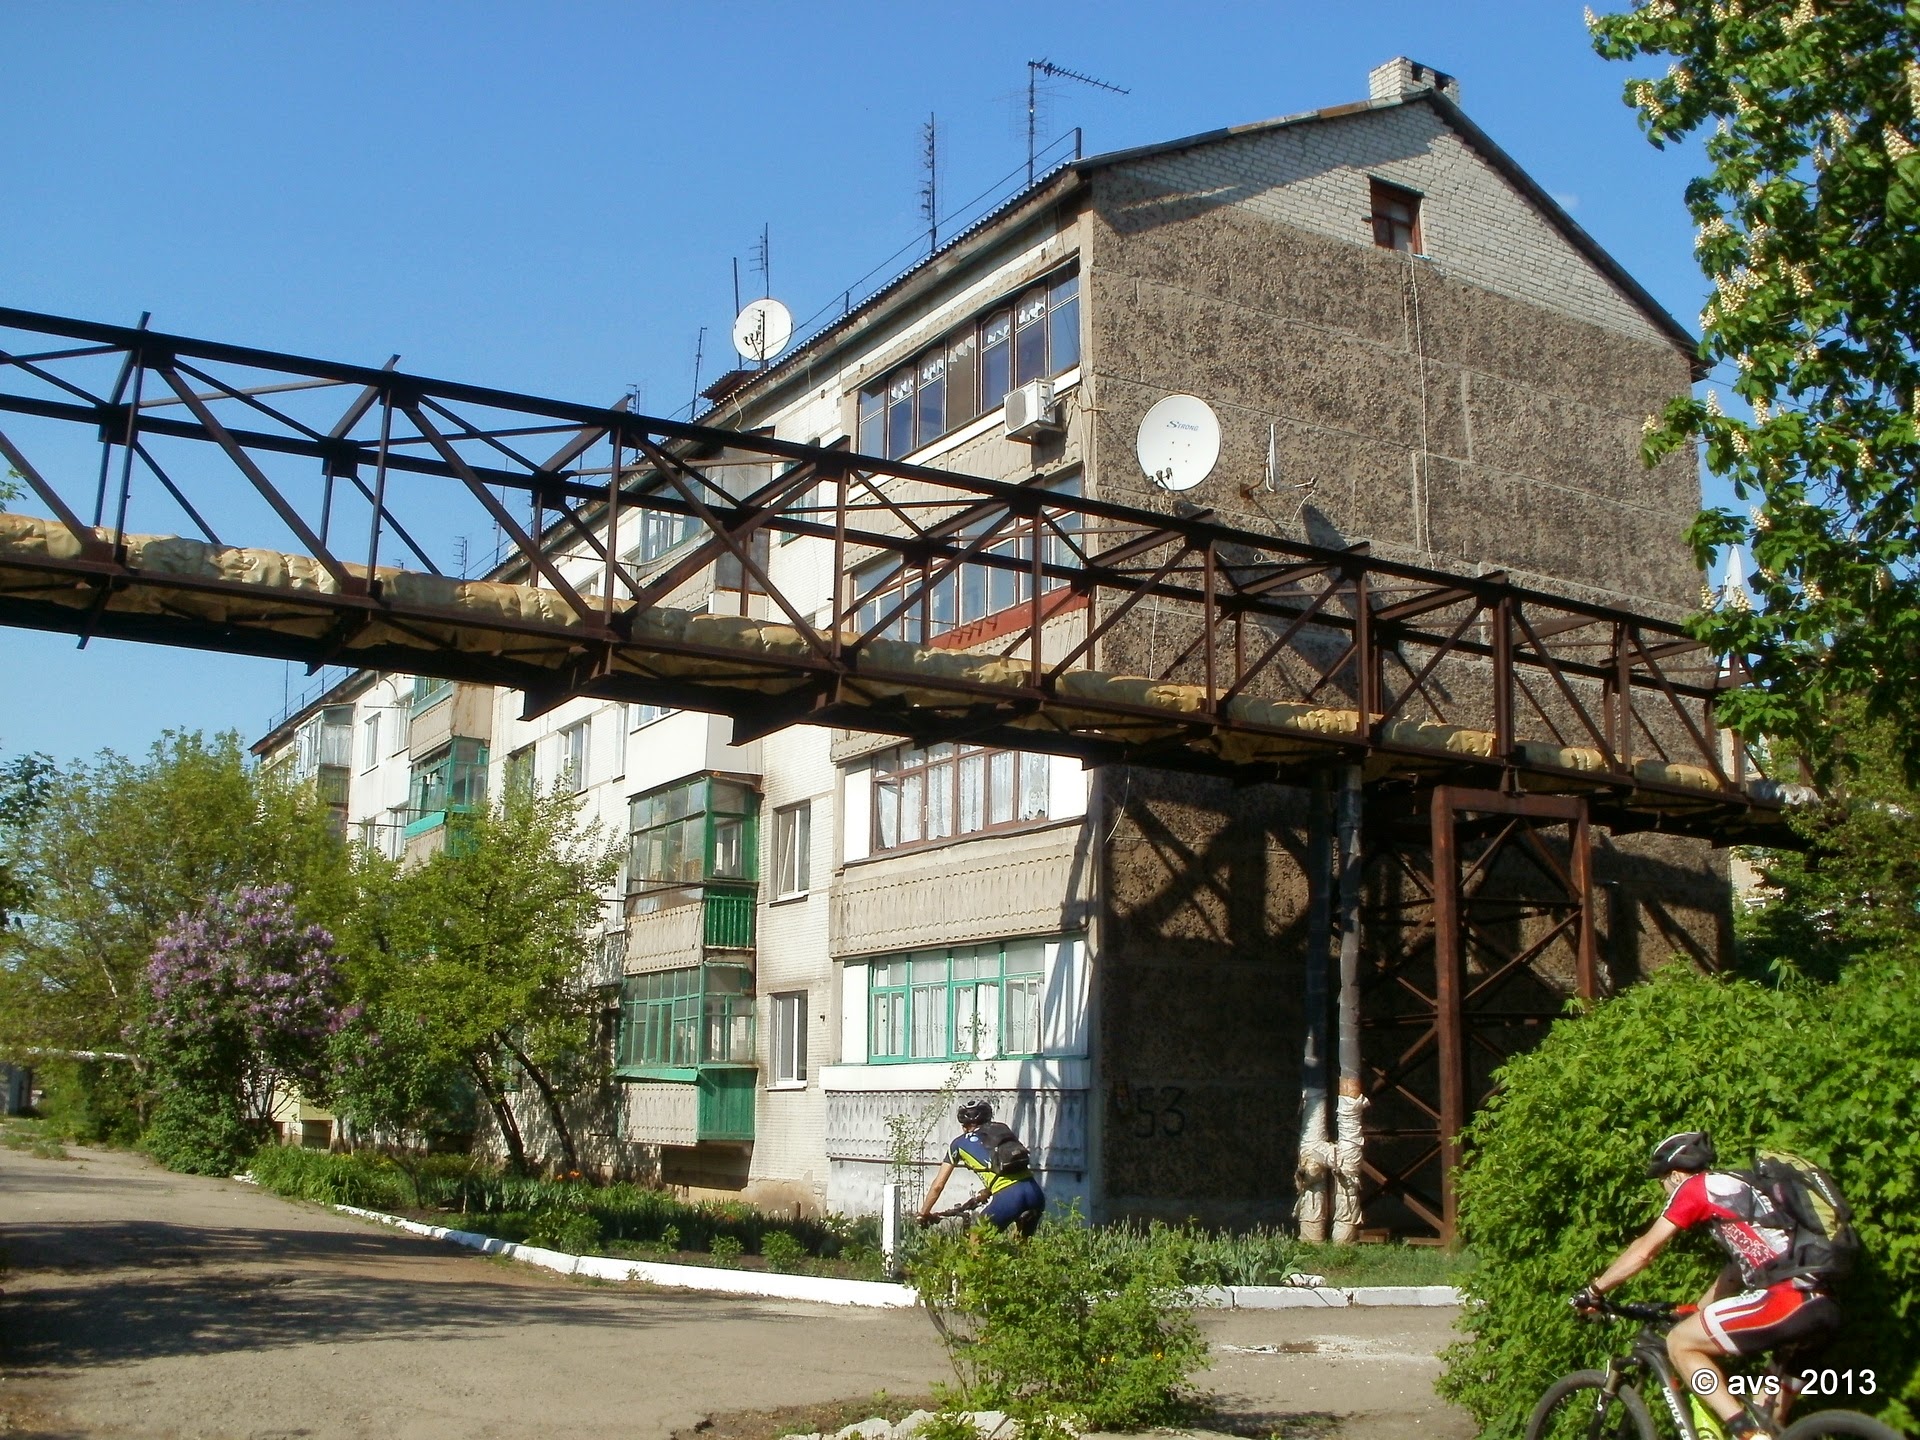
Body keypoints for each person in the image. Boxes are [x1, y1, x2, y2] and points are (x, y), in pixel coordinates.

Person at [1573, 1131, 1840, 1437]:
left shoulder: (1695, 1188)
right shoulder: (1741, 1186)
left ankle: (1745, 1434)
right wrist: (1697, 1310)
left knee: (1680, 1343)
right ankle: (1756, 1432)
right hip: (1821, 1303)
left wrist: (1593, 1290)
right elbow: (1735, 1270)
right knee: (1767, 1421)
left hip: (1785, 1300)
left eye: (1662, 1183)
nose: (1665, 1192)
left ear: (1674, 1175)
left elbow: (1644, 1251)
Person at [918, 1099, 1045, 1237]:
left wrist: (923, 1213)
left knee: (977, 1238)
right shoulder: (1002, 1129)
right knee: (1022, 1247)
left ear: (964, 1126)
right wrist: (987, 1191)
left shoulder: (958, 1144)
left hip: (1010, 1197)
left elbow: (938, 1185)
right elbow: (1004, 1167)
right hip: (1034, 1192)